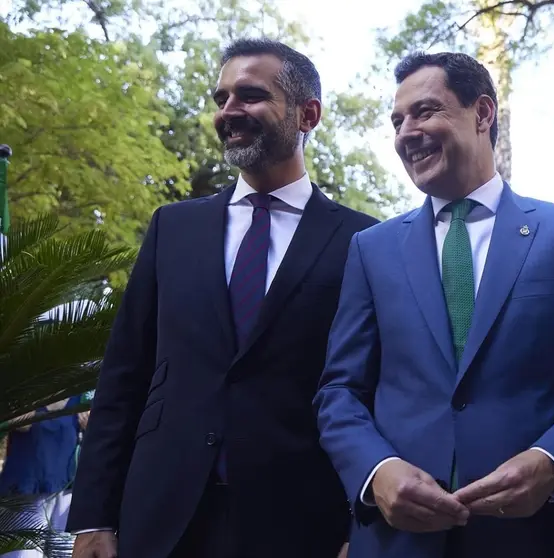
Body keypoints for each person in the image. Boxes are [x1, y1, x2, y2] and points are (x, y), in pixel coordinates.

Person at [313, 51, 554, 558]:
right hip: (398, 542)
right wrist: (376, 471)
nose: (406, 133)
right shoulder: (372, 249)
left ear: (483, 113)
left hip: (532, 539)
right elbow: (340, 390)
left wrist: (552, 460)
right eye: (397, 122)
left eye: (424, 111)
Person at [66, 38, 378, 558]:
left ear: (308, 114)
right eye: (221, 98)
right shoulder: (173, 228)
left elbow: (372, 389)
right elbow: (124, 375)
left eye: (251, 95)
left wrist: (358, 527)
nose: (228, 111)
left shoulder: (363, 241)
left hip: (301, 524)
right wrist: (94, 516)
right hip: (160, 518)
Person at [0, 395, 86, 558]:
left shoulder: (82, 401)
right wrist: (14, 417)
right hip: (23, 492)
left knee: (64, 553)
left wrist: (92, 424)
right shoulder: (27, 394)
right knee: (21, 553)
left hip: (67, 493)